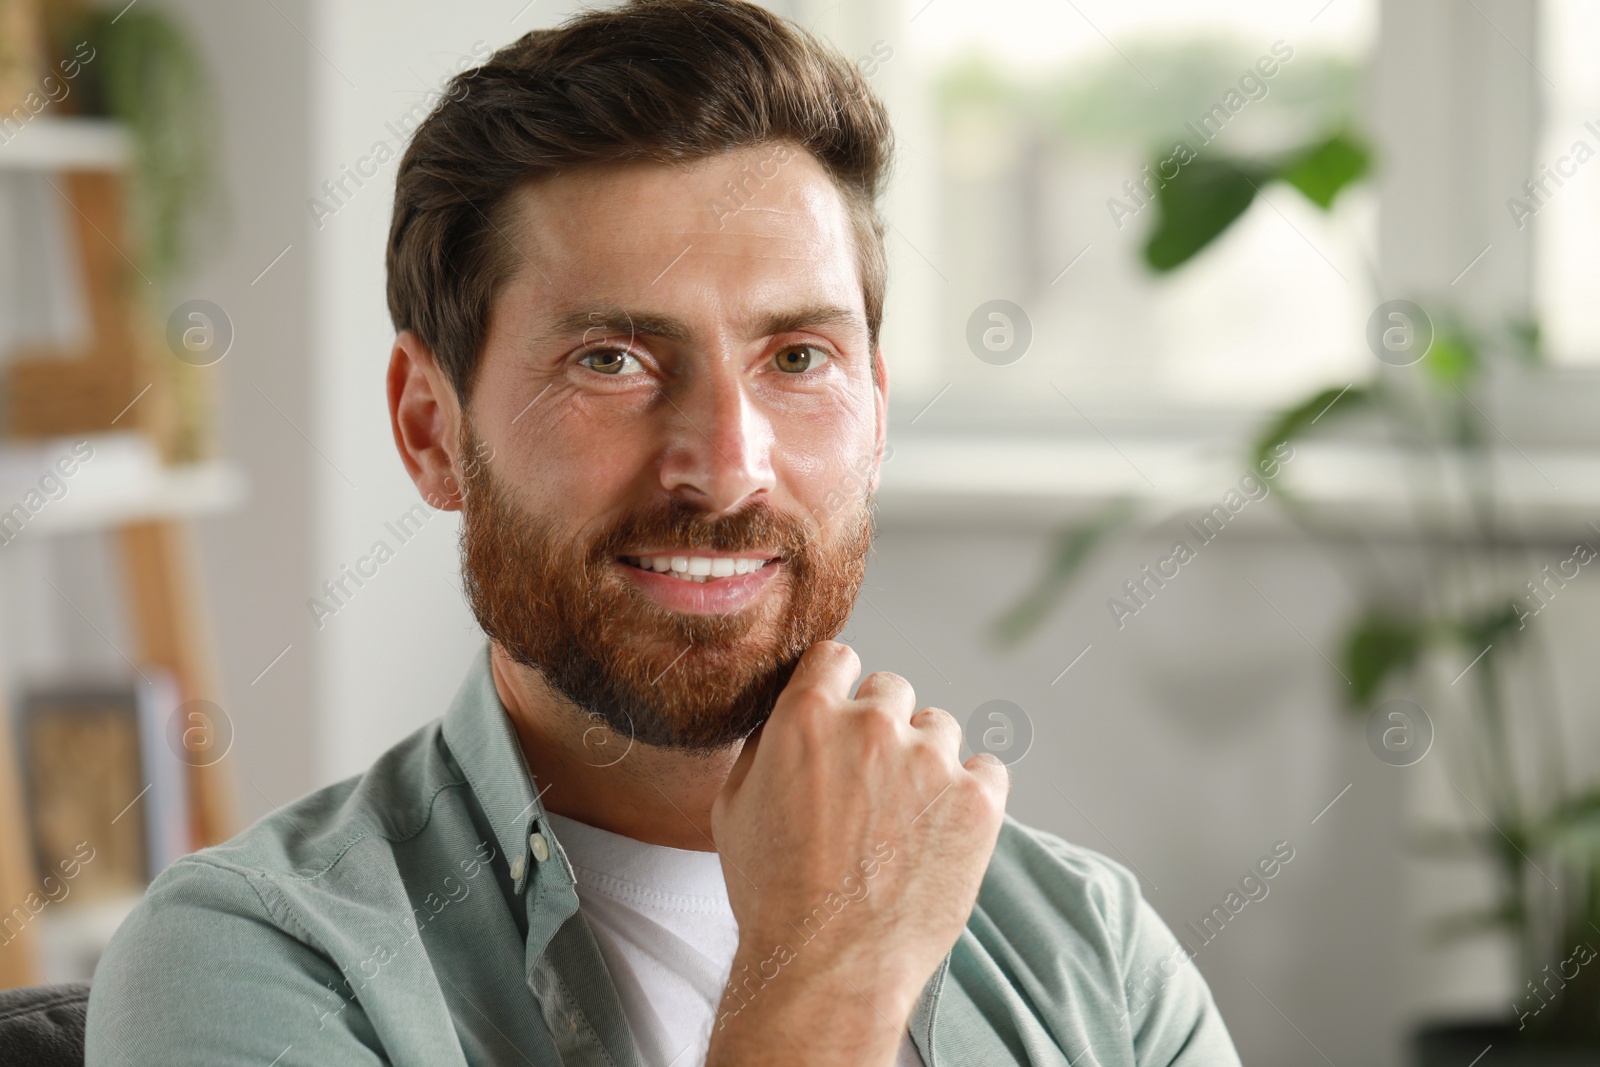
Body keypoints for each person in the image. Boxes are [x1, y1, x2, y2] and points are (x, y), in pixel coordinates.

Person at [85, 2, 1242, 1063]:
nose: (726, 464)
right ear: (430, 429)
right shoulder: (254, 961)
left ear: (877, 415)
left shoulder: (1094, 953)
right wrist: (824, 973)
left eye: (797, 359)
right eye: (613, 360)